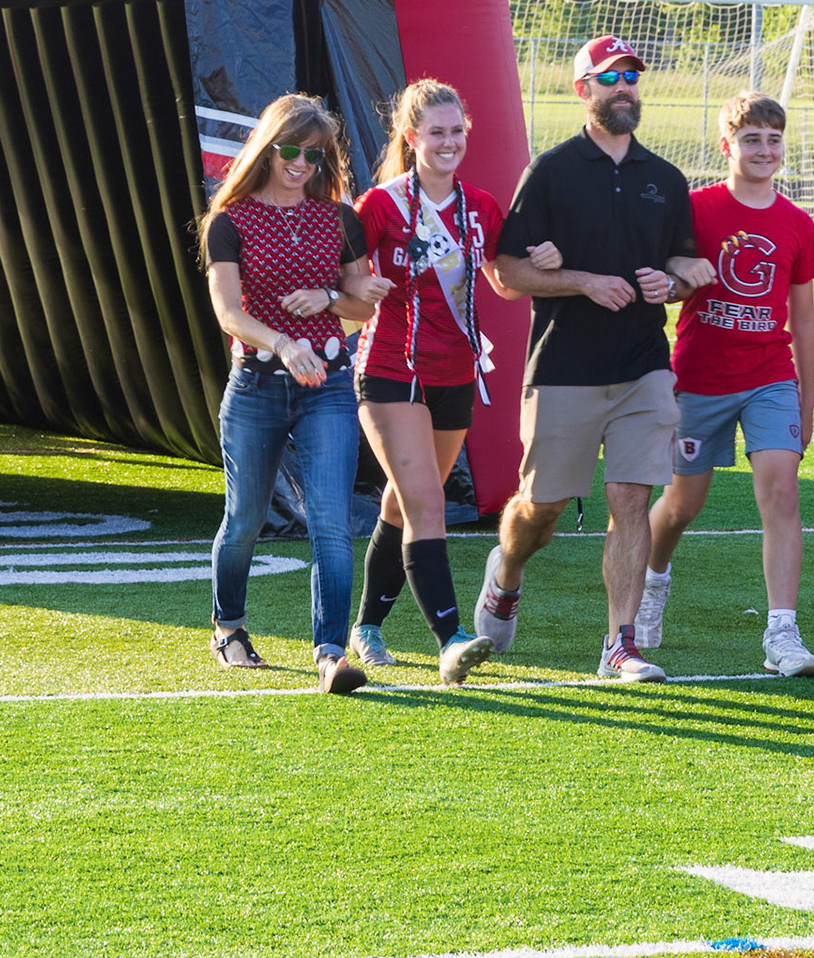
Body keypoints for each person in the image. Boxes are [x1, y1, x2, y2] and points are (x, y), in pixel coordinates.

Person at [477, 35, 713, 682]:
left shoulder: (666, 178)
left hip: (644, 363)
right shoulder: (550, 171)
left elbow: (680, 263)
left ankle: (619, 645)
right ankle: (506, 574)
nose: (623, 87)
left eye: (631, 75)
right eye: (609, 77)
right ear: (582, 90)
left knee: (630, 498)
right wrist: (582, 281)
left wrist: (678, 280)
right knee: (543, 509)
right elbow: (506, 272)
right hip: (563, 367)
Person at [346, 78, 560, 685]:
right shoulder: (380, 205)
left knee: (405, 501)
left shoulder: (481, 206)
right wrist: (357, 289)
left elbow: (504, 280)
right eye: (436, 132)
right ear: (411, 137)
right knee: (427, 502)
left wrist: (544, 262)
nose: (448, 142)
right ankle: (452, 639)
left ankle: (367, 624)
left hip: (456, 373)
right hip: (391, 370)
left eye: (456, 131)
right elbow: (346, 282)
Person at [202, 93, 385, 695]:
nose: (301, 163)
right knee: (245, 519)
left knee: (330, 519)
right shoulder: (229, 221)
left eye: (315, 154)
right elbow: (229, 312)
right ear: (267, 147)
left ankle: (331, 653)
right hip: (256, 383)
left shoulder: (339, 218)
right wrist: (282, 342)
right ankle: (229, 628)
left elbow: (362, 303)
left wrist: (330, 298)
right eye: (290, 150)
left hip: (327, 386)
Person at [639, 91, 814, 674]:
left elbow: (804, 317)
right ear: (727, 145)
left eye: (773, 139)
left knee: (782, 492)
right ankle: (652, 580)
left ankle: (782, 633)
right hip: (700, 377)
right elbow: (661, 278)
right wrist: (678, 275)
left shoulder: (797, 222)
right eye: (751, 139)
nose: (764, 149)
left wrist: (807, 397)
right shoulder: (694, 209)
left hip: (771, 377)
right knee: (682, 504)